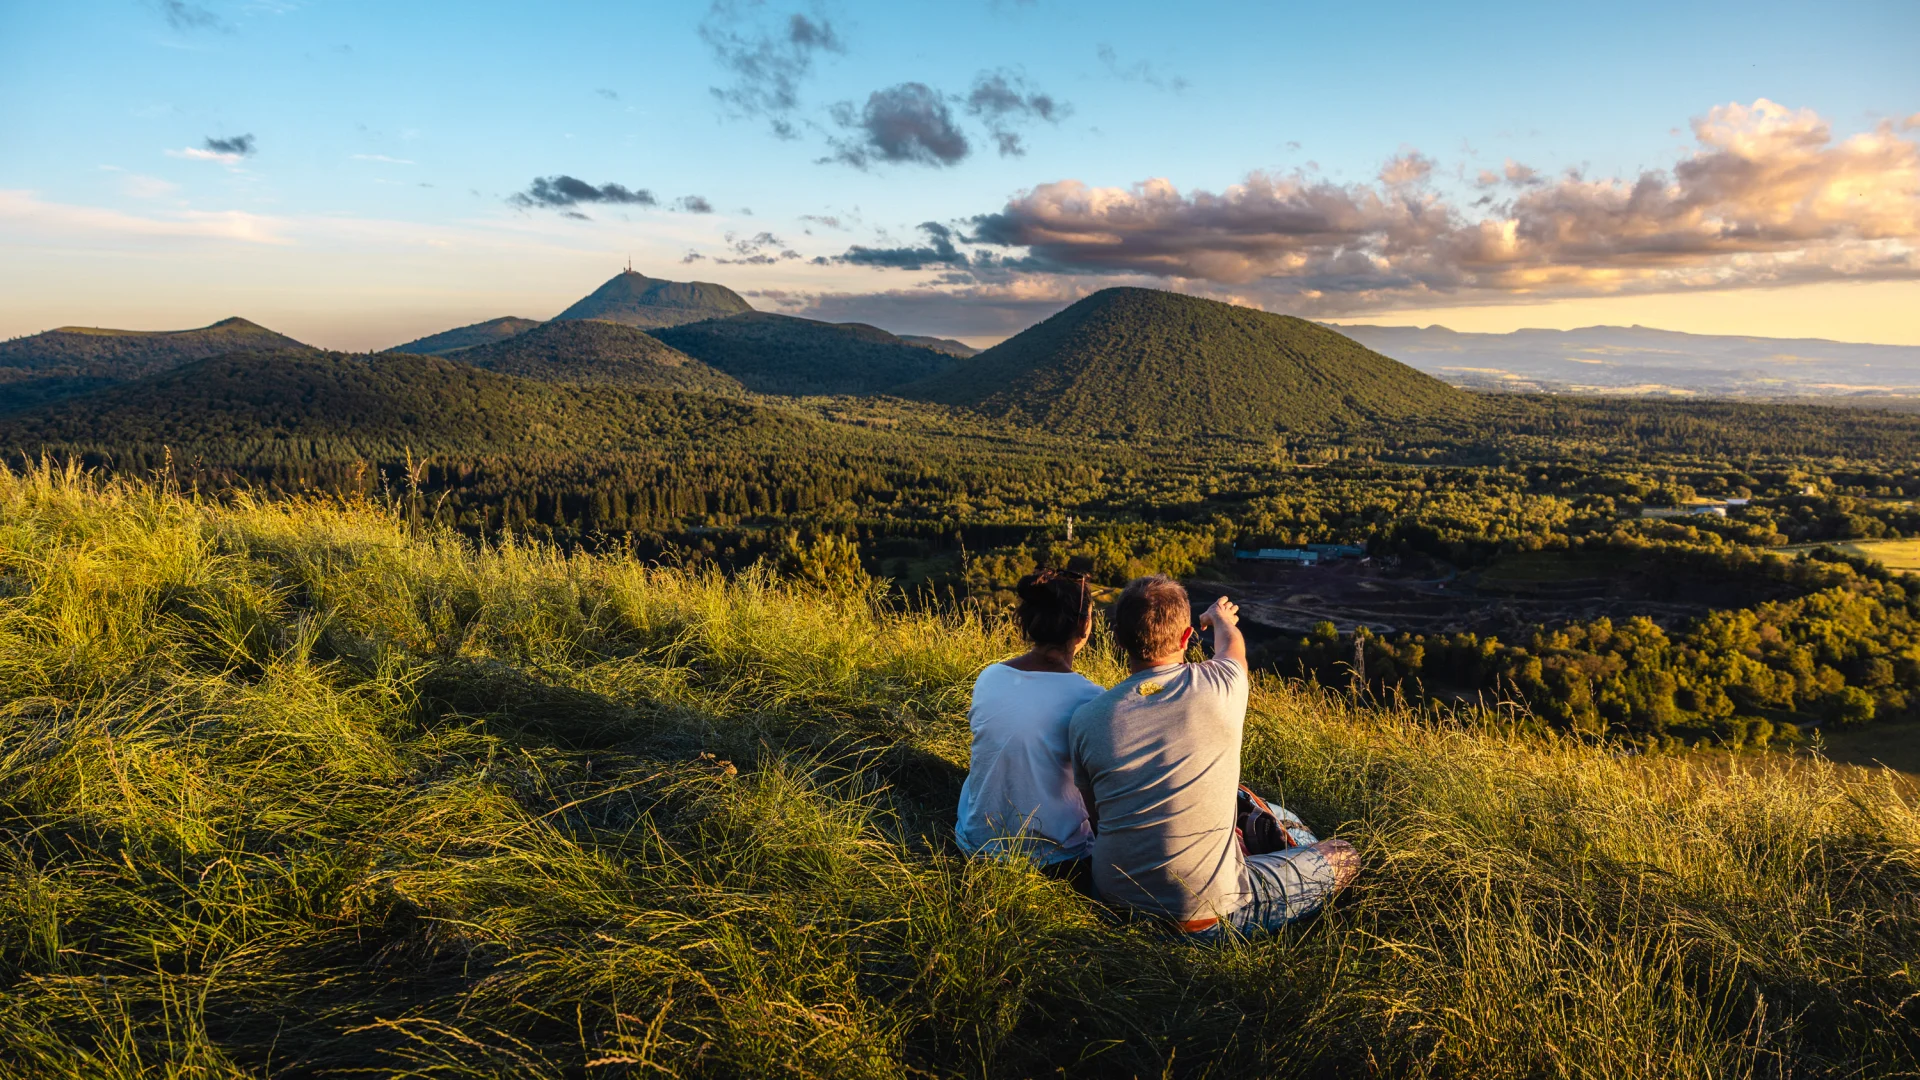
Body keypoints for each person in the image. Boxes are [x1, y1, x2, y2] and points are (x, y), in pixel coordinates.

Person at [1068, 575, 1360, 938]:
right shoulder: (1222, 684)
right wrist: (1220, 617)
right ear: (1188, 638)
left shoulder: (1086, 720)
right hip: (1205, 916)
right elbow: (1231, 645)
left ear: (1118, 639)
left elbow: (1096, 817)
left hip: (1113, 905)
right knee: (1344, 854)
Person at [954, 568, 1104, 879]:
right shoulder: (1091, 699)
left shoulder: (990, 676)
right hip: (1054, 860)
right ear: (1083, 625)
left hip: (976, 844)